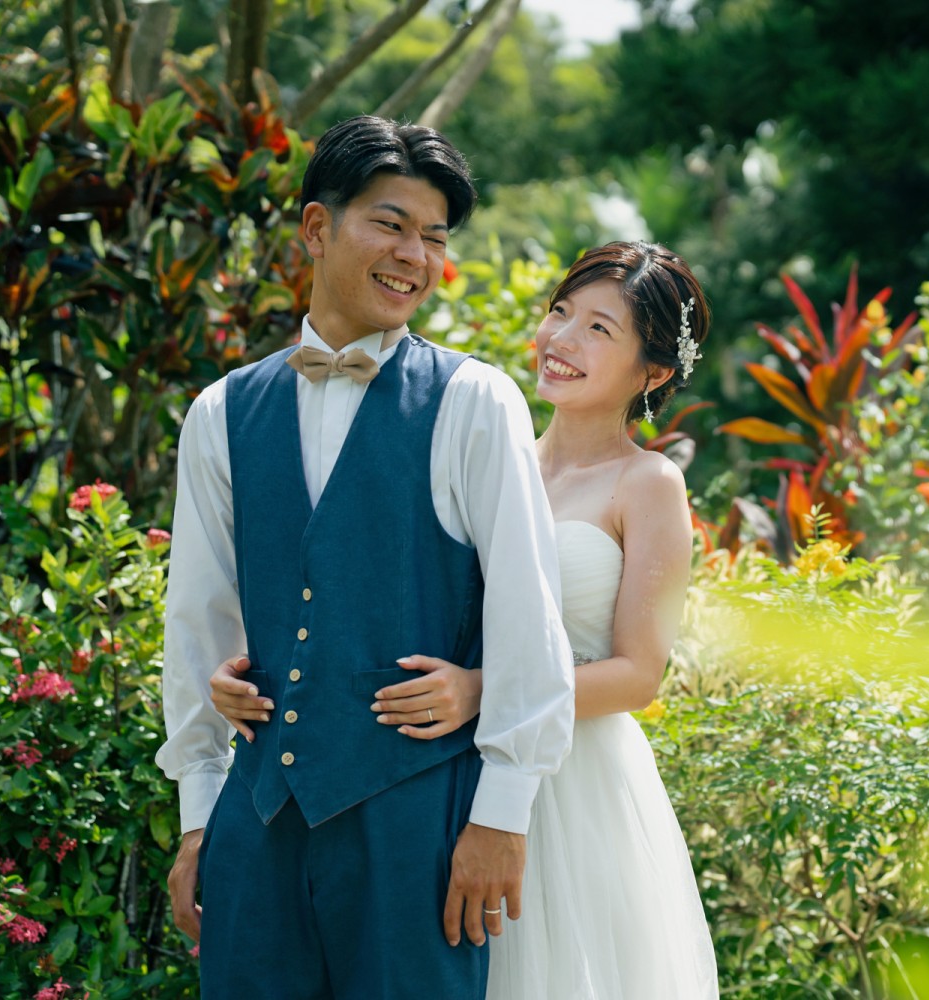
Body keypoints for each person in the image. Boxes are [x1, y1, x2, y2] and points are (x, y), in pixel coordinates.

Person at [211, 241, 720, 998]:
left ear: (652, 373)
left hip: (570, 788)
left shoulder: (648, 485)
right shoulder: (479, 438)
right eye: (560, 313)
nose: (562, 340)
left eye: (599, 330)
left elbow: (641, 674)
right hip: (439, 773)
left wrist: (489, 689)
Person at [155, 115, 576, 998]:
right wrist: (201, 817)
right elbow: (198, 626)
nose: (414, 256)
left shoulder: (476, 401)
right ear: (316, 228)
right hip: (259, 819)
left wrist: (502, 817)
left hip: (419, 822)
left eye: (433, 237)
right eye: (390, 224)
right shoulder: (220, 413)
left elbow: (527, 619)